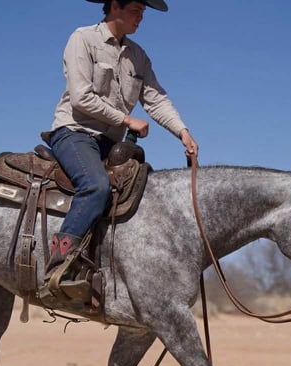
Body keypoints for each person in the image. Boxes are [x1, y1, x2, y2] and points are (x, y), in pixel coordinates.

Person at [43, 0, 198, 292]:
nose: (141, 18)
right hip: (75, 133)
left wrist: (182, 131)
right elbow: (81, 97)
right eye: (136, 10)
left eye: (143, 12)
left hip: (110, 143)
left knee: (144, 194)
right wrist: (126, 120)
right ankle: (58, 268)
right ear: (115, 5)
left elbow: (156, 99)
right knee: (96, 186)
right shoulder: (83, 38)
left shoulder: (138, 56)